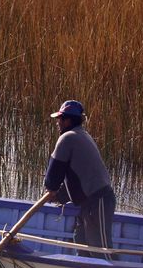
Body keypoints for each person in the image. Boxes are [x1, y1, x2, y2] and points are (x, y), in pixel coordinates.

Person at [43, 100, 115, 259]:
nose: (57, 123)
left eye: (60, 119)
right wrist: (59, 196)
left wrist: (52, 189)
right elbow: (77, 178)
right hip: (88, 203)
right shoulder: (81, 135)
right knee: (82, 245)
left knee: (101, 250)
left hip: (98, 201)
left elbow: (53, 178)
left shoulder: (67, 138)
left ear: (67, 120)